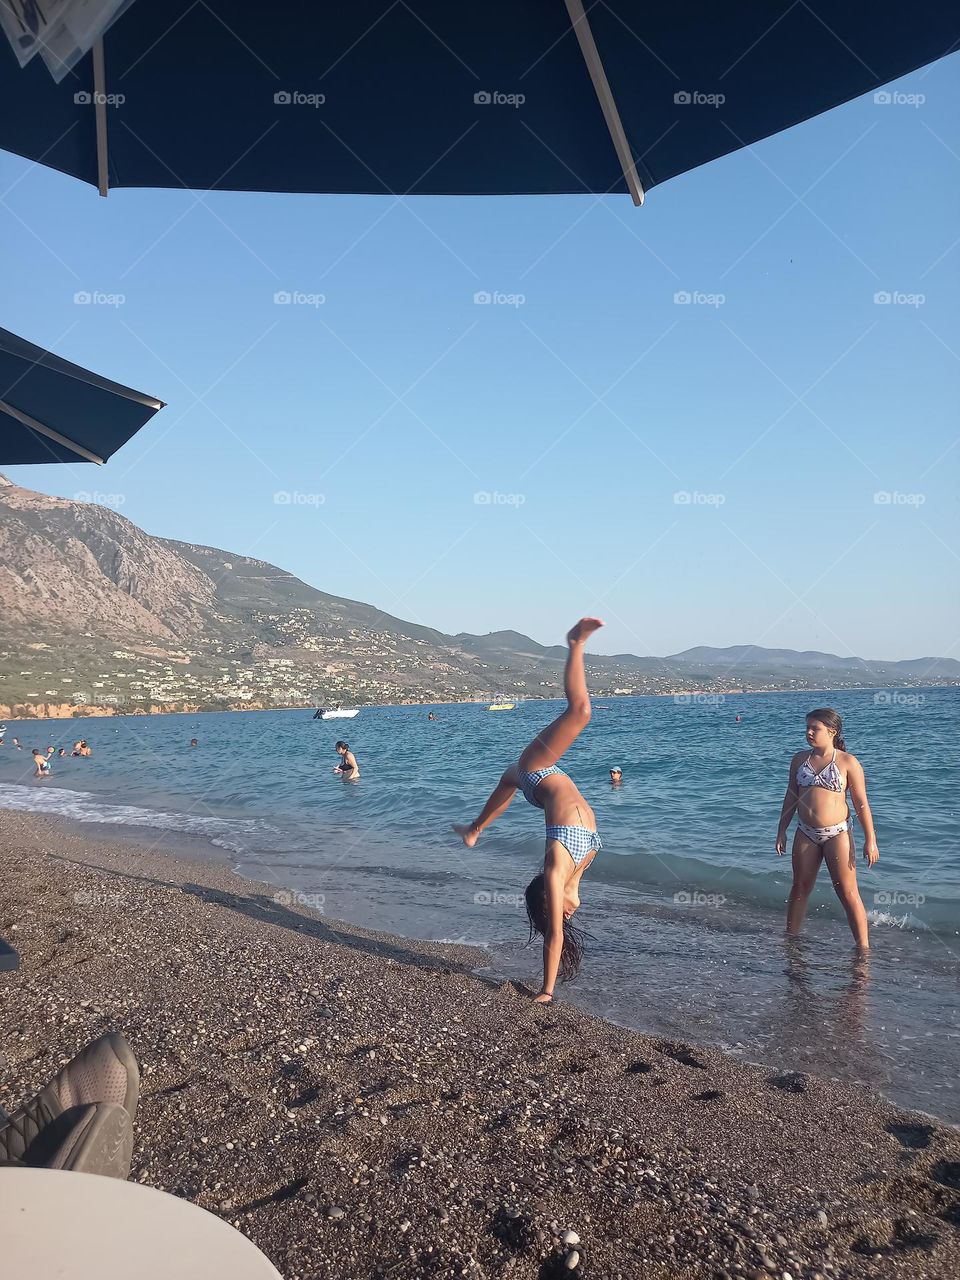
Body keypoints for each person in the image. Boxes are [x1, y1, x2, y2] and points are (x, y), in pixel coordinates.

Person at [453, 617, 604, 1003]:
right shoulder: (575, 876)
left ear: (547, 898)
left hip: (536, 772)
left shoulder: (557, 871)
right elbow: (561, 926)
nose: (569, 915)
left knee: (581, 712)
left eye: (559, 911)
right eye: (567, 914)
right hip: (536, 785)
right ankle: (475, 829)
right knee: (509, 781)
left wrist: (546, 991)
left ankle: (575, 643)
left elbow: (553, 935)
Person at [775, 708, 879, 949]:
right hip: (805, 832)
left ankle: (863, 948)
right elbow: (790, 797)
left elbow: (861, 803)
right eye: (807, 728)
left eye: (815, 729)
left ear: (832, 732)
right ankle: (791, 940)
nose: (809, 732)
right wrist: (782, 830)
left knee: (848, 892)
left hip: (838, 833)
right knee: (800, 886)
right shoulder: (799, 760)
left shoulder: (847, 762)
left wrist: (870, 839)